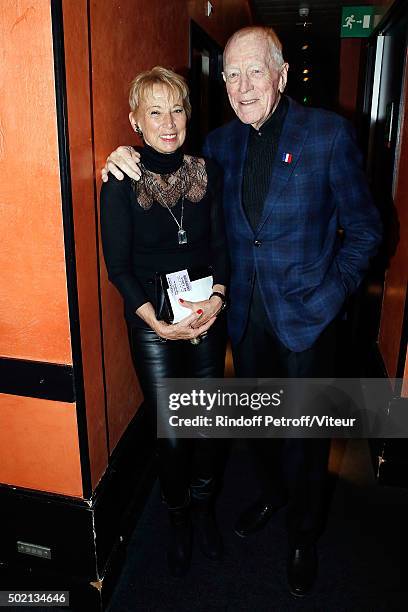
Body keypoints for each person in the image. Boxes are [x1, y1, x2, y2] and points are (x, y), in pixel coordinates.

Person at [101, 27, 382, 596]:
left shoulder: (328, 135)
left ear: (280, 75)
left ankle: (304, 534)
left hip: (308, 315)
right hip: (243, 315)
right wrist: (120, 153)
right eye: (231, 73)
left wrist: (335, 292)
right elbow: (167, 160)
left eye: (255, 71)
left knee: (304, 435)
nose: (242, 84)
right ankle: (274, 494)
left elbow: (368, 230)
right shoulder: (219, 146)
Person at [100, 66, 229, 577]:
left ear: (188, 115)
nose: (168, 121)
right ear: (136, 121)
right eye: (155, 111)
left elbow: (221, 245)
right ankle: (177, 517)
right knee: (172, 432)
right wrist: (156, 322)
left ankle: (204, 509)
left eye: (176, 108)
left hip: (204, 308)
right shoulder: (121, 180)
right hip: (151, 316)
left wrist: (217, 298)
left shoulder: (207, 171)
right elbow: (119, 267)